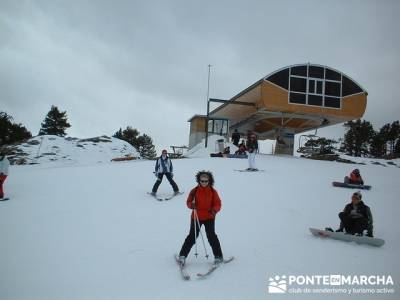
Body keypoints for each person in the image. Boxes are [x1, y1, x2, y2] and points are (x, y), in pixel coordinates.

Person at [178, 171, 223, 266]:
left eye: (206, 181)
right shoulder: (194, 191)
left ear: (209, 181)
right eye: (202, 181)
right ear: (199, 181)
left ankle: (218, 256)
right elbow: (188, 202)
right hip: (196, 217)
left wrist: (214, 210)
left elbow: (217, 203)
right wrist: (191, 205)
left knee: (211, 237)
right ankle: (182, 256)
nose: (204, 183)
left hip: (209, 217)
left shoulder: (213, 191)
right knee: (192, 237)